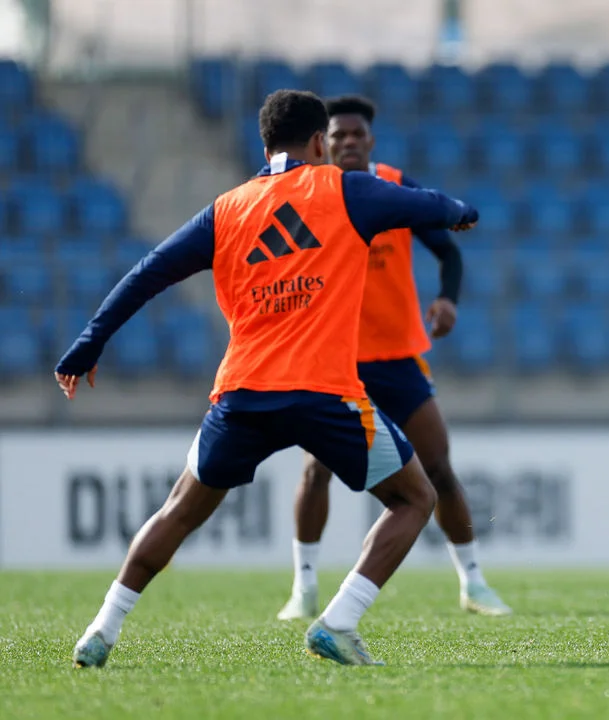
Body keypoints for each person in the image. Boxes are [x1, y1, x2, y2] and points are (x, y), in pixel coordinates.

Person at [59, 89, 478, 667]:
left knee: (178, 510)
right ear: (317, 143)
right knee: (415, 496)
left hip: (242, 393)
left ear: (264, 144)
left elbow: (147, 272)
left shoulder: (226, 208)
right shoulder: (346, 188)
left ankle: (101, 630)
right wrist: (461, 212)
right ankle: (339, 620)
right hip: (325, 392)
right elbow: (431, 204)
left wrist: (89, 342)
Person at [276, 95, 511, 622]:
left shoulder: (392, 185)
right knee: (316, 471)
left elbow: (448, 248)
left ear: (371, 141)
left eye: (357, 135)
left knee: (439, 467)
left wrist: (448, 298)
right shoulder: (308, 195)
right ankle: (304, 588)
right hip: (335, 360)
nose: (349, 143)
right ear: (323, 143)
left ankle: (473, 581)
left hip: (399, 355)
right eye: (338, 137)